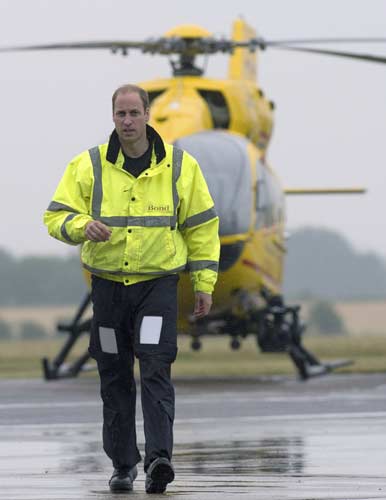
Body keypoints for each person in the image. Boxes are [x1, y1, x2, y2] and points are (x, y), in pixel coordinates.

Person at [43, 84, 220, 494]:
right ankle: (123, 465)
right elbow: (55, 216)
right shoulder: (87, 166)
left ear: (146, 116)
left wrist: (204, 282)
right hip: (106, 291)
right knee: (114, 376)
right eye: (120, 114)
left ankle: (159, 459)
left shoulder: (180, 166)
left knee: (156, 369)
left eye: (133, 113)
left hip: (156, 288)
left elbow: (203, 226)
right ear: (113, 118)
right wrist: (79, 226)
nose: (127, 121)